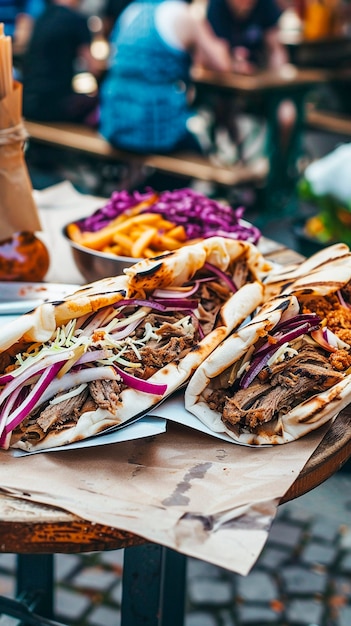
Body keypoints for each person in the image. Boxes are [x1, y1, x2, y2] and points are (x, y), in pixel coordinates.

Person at [99, 0, 233, 155]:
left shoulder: (133, 10)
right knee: (195, 152)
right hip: (153, 129)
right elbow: (222, 64)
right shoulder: (181, 13)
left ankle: (134, 177)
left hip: (114, 123)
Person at [206, 0, 296, 164]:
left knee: (287, 113)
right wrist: (233, 64)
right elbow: (215, 55)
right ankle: (237, 166)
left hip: (260, 87)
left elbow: (276, 49)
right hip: (225, 89)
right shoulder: (216, 7)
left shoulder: (267, 6)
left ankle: (276, 170)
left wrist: (280, 77)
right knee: (222, 109)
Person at [22, 0, 101, 124]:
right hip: (54, 107)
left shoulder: (41, 17)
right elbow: (94, 67)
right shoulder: (77, 20)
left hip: (27, 103)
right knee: (96, 103)